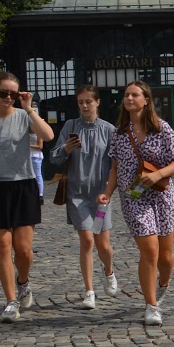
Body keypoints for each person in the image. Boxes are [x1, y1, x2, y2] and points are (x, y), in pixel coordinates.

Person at [98, 81, 174, 326]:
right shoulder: (119, 134)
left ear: (146, 100)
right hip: (133, 198)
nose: (129, 98)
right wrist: (107, 192)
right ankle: (151, 305)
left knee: (166, 257)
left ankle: (163, 282)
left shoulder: (161, 128)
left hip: (162, 196)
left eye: (134, 95)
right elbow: (115, 168)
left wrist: (158, 174)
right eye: (126, 95)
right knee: (149, 251)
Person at [0, 72, 56, 322]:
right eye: (3, 93)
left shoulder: (23, 116)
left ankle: (23, 281)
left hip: (24, 186)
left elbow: (48, 135)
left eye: (13, 94)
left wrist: (29, 108)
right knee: (3, 246)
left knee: (24, 249)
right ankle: (10, 301)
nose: (8, 98)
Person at [47, 86, 121, 310]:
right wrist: (66, 148)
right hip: (77, 194)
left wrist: (108, 190)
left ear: (97, 102)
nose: (85, 106)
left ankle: (109, 271)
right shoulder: (71, 126)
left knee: (103, 245)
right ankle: (89, 291)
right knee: (87, 240)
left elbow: (115, 164)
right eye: (80, 102)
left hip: (100, 196)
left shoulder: (109, 130)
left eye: (88, 101)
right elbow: (54, 158)